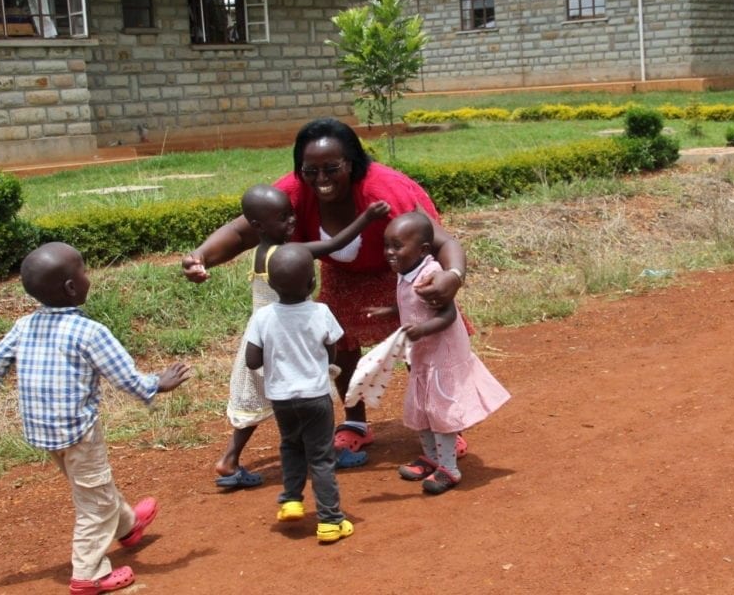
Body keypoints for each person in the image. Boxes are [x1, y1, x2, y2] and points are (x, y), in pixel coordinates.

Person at [183, 118, 468, 465]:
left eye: (332, 169)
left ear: (352, 164)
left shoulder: (385, 191)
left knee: (420, 346)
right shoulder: (295, 190)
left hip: (395, 271)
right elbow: (244, 231)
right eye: (311, 170)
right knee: (341, 344)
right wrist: (200, 257)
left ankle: (444, 423)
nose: (321, 180)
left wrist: (452, 275)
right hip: (341, 272)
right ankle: (355, 422)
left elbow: (440, 239)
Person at [0, 242, 193, 595]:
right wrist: (156, 385)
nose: (88, 277)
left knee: (92, 486)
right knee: (95, 502)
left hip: (43, 432)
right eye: (83, 271)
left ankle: (128, 527)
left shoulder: (24, 325)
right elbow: (125, 378)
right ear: (72, 287)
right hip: (78, 433)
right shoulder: (91, 333)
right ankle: (89, 574)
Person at [213, 184, 390, 487]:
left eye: (291, 214)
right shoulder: (287, 254)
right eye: (282, 218)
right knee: (310, 397)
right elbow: (334, 244)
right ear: (257, 226)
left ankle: (229, 459)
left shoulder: (262, 252)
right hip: (290, 339)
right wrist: (367, 217)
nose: (292, 222)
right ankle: (326, 454)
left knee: (261, 400)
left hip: (263, 336)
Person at [365, 213, 510, 494]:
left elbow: (447, 314)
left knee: (440, 411)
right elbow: (413, 305)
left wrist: (422, 330)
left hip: (441, 357)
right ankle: (430, 457)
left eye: (397, 246)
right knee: (421, 408)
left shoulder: (430, 275)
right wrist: (391, 311)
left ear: (422, 251)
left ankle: (449, 469)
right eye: (386, 246)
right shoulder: (404, 273)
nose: (389, 253)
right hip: (422, 356)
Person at [242, 243, 353, 542]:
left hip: (281, 398)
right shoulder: (321, 312)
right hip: (315, 397)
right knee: (320, 457)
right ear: (312, 282)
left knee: (291, 446)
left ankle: (291, 500)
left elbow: (252, 360)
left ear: (271, 284)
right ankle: (330, 520)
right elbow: (333, 350)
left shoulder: (263, 317)